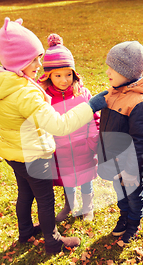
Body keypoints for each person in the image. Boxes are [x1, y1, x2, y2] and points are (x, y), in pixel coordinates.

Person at [0, 18, 107, 254]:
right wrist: (92, 105)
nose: (39, 63)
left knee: (25, 194)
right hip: (33, 154)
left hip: (13, 151)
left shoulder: (3, 82)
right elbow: (59, 124)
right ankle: (53, 241)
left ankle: (25, 231)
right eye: (34, 59)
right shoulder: (25, 93)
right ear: (19, 61)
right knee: (45, 200)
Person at [96, 41, 143, 244]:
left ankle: (134, 222)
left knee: (132, 195)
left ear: (128, 72)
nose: (107, 72)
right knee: (119, 192)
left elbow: (140, 144)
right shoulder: (114, 93)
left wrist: (132, 171)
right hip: (113, 160)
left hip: (130, 166)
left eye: (113, 69)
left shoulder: (141, 104)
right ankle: (124, 216)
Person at [37, 33, 100, 222]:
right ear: (49, 75)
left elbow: (94, 118)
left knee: (85, 179)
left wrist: (92, 142)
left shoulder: (82, 93)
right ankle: (69, 205)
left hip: (83, 147)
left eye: (68, 74)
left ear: (74, 73)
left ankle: (88, 206)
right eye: (58, 75)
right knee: (68, 180)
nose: (64, 80)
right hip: (60, 149)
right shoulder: (44, 97)